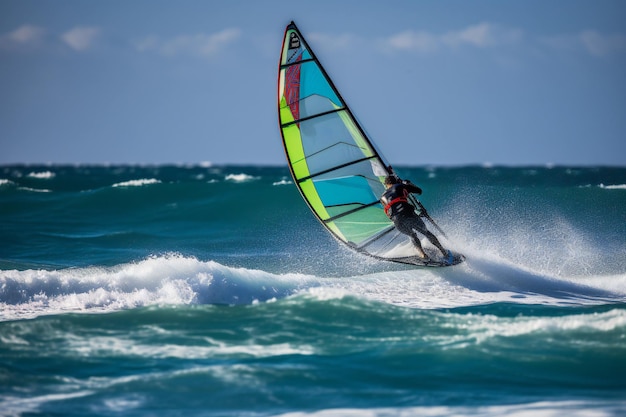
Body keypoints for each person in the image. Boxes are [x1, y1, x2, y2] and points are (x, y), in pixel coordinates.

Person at [380, 175, 448, 260]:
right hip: (408, 214)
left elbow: (389, 214)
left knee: (412, 235)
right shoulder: (400, 186)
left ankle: (422, 254)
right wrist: (408, 184)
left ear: (386, 184)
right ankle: (443, 252)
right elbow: (419, 191)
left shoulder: (382, 197)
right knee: (426, 232)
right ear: (395, 182)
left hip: (397, 220)